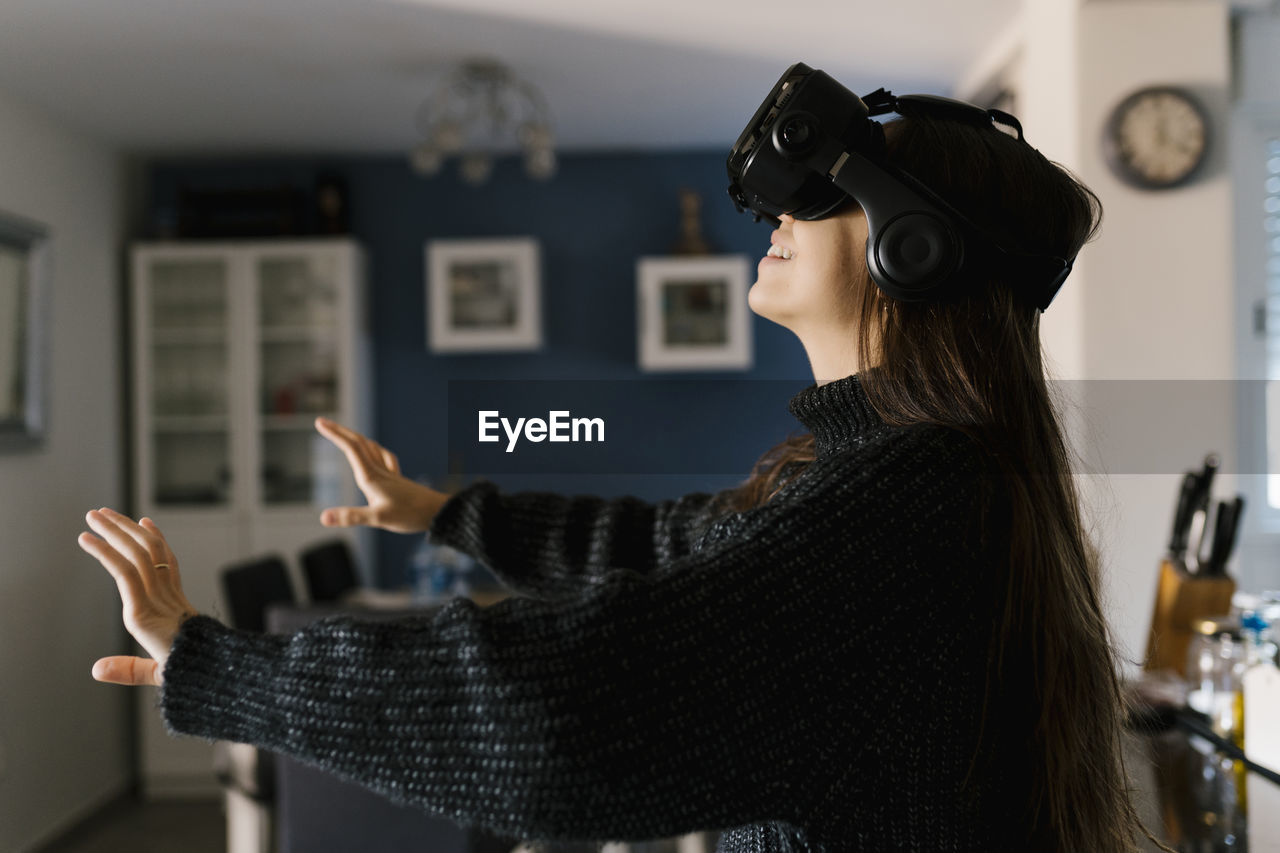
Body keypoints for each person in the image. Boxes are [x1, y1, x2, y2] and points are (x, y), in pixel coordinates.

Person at [78, 107, 1153, 851]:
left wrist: (219, 666)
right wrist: (449, 513)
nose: (781, 209)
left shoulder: (912, 498)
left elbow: (555, 706)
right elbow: (661, 543)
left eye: (829, 194)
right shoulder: (892, 474)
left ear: (911, 250)